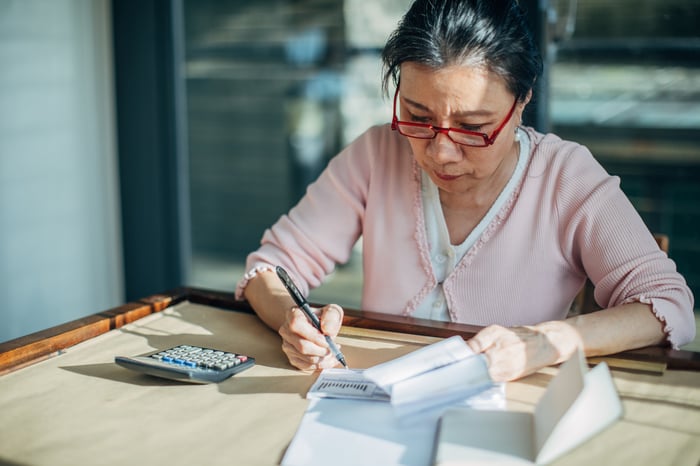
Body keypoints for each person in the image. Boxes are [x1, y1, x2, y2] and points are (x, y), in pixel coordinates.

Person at [235, 0, 695, 381]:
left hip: (504, 407)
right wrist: (294, 322)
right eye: (417, 116)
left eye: (473, 128)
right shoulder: (377, 154)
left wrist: (544, 341)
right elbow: (269, 270)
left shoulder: (565, 177)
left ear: (522, 103)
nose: (441, 152)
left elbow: (667, 306)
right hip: (374, 395)